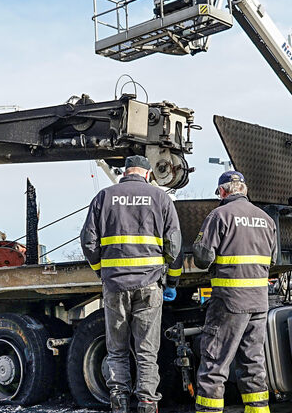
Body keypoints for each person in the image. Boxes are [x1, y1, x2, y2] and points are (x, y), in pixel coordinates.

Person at [81, 155, 183, 413]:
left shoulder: (104, 197)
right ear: (148, 174)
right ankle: (147, 404)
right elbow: (174, 244)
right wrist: (172, 281)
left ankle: (120, 403)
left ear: (125, 172)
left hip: (115, 284)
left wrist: (101, 270)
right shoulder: (160, 199)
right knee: (147, 351)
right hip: (150, 284)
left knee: (116, 349)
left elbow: (88, 242)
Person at [192, 171, 277, 413]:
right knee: (253, 362)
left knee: (214, 363)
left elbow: (202, 258)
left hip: (229, 302)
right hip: (259, 301)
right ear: (244, 189)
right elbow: (272, 259)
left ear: (222, 191)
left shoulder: (219, 215)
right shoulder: (266, 219)